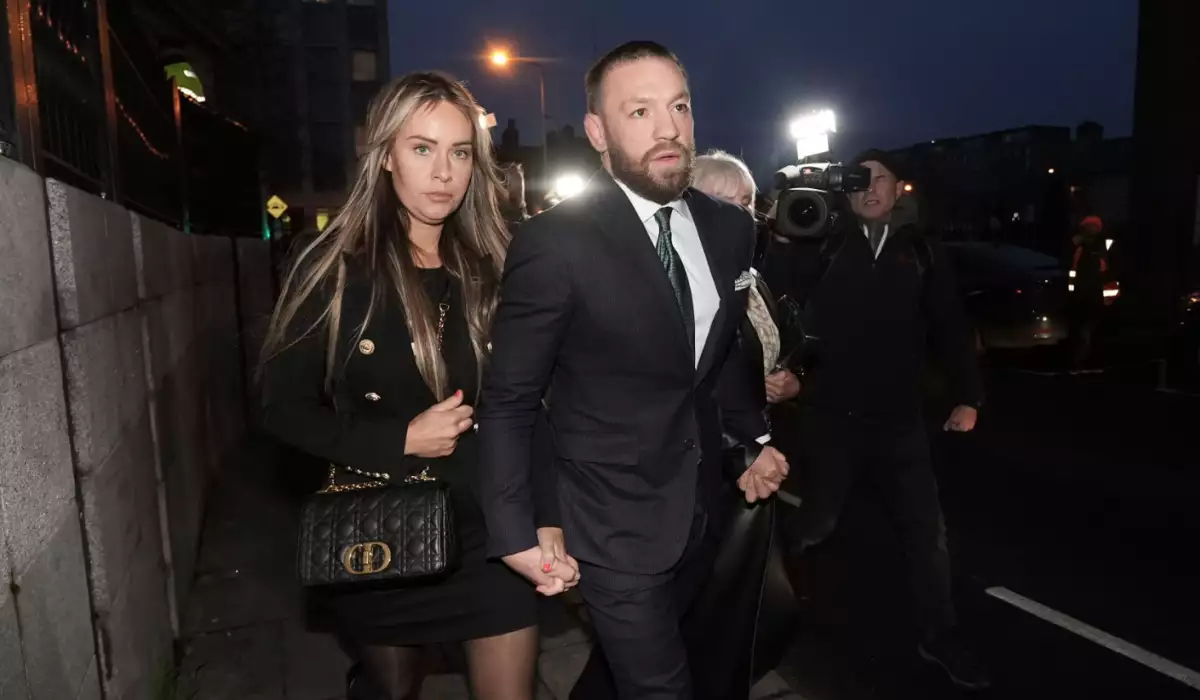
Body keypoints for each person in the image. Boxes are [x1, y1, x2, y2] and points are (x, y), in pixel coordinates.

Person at [478, 41, 789, 700]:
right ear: (598, 132)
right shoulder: (554, 242)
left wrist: (749, 437)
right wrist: (515, 530)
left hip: (700, 509)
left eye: (680, 107)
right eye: (640, 111)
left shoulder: (729, 228)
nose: (668, 128)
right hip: (608, 521)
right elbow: (510, 399)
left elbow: (719, 353)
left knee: (630, 673)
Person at [258, 72, 577, 700]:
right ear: (385, 156)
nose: (443, 172)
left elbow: (528, 407)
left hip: (490, 526)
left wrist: (546, 518)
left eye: (460, 152)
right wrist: (399, 439)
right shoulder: (333, 267)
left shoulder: (496, 263)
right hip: (387, 526)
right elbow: (281, 410)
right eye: (422, 148)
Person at [786, 149, 991, 690]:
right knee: (818, 523)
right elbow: (783, 305)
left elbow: (950, 325)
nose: (869, 188)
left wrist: (968, 396)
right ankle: (775, 591)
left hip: (900, 422)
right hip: (832, 417)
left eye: (881, 179)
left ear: (900, 188)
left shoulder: (921, 250)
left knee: (928, 536)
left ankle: (940, 636)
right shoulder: (825, 241)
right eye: (859, 179)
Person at [1066, 215, 1112, 372]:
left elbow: (1108, 270)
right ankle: (1081, 362)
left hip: (1094, 295)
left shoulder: (1101, 246)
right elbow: (1068, 262)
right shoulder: (1079, 245)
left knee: (1088, 330)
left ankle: (1084, 362)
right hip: (1081, 295)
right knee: (1082, 330)